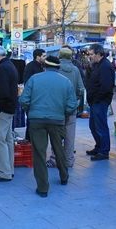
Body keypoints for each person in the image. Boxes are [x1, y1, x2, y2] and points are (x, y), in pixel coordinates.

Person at [19, 56, 77, 197]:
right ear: (58, 67)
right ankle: (64, 176)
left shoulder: (34, 79)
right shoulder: (66, 82)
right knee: (59, 149)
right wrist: (63, 114)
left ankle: (43, 188)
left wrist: (30, 111)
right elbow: (72, 105)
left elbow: (24, 100)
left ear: (44, 66)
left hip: (36, 120)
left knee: (39, 153)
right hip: (57, 120)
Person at [46, 47, 85, 168]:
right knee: (70, 135)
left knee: (56, 135)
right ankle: (68, 161)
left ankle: (54, 159)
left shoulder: (55, 69)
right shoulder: (75, 70)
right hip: (71, 107)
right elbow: (80, 88)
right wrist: (76, 100)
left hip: (56, 107)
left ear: (60, 56)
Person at [0, 46, 18, 182]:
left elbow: (2, 92)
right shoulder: (9, 65)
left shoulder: (1, 68)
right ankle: (9, 169)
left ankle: (4, 172)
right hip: (9, 108)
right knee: (7, 139)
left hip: (3, 109)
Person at [84, 43, 115, 161]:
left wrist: (95, 99)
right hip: (94, 101)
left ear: (98, 54)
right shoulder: (97, 65)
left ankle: (104, 151)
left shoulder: (105, 66)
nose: (90, 56)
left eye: (91, 54)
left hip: (100, 102)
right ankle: (99, 146)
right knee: (93, 126)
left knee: (101, 127)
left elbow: (106, 87)